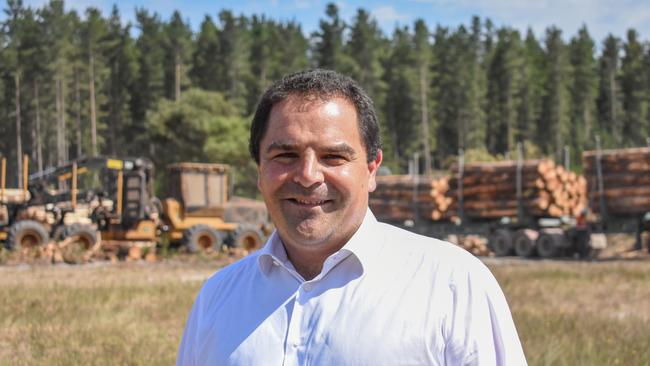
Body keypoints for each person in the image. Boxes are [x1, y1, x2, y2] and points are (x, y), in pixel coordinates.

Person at [176, 69, 527, 365]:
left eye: (332, 156)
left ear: (372, 169)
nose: (308, 175)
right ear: (260, 170)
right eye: (285, 155)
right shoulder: (217, 298)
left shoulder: (452, 284)